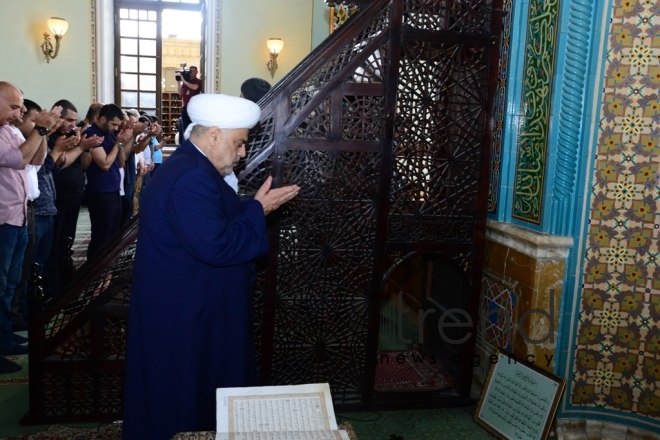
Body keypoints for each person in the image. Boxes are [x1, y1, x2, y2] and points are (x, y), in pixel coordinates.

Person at [122, 94, 300, 439]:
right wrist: (257, 211)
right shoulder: (191, 176)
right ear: (214, 135)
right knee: (183, 396)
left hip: (193, 305)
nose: (243, 152)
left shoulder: (195, 168)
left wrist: (252, 208)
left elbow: (212, 222)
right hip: (186, 315)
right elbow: (217, 245)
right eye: (240, 143)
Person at [0, 82, 61, 374]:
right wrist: (40, 130)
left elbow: (36, 160)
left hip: (19, 215)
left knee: (11, 282)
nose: (20, 112)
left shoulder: (11, 131)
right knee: (0, 284)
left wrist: (43, 133)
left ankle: (6, 336)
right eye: (14, 106)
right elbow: (17, 160)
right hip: (3, 220)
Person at [83, 104, 134, 258]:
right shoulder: (91, 133)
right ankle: (92, 277)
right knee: (101, 237)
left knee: (112, 235)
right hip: (100, 191)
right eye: (114, 124)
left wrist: (123, 142)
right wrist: (118, 144)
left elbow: (120, 162)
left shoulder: (111, 134)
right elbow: (104, 163)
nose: (115, 127)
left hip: (113, 190)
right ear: (103, 119)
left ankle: (106, 275)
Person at [177, 65, 202, 136]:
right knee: (185, 127)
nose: (191, 73)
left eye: (193, 71)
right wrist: (178, 82)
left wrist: (183, 81)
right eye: (190, 71)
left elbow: (194, 87)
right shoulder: (186, 82)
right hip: (185, 107)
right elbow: (180, 92)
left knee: (193, 127)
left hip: (194, 108)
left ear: (197, 72)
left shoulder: (198, 81)